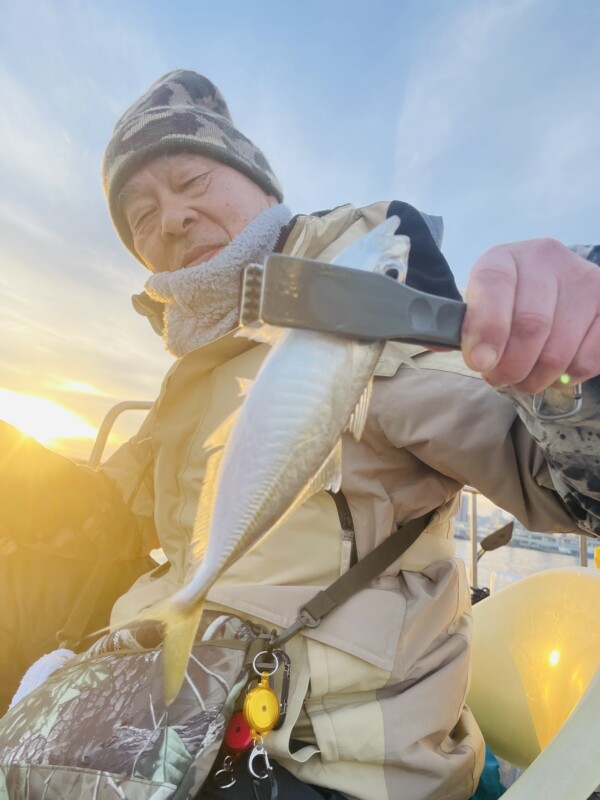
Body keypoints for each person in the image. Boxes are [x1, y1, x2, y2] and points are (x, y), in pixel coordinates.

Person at [1, 69, 599, 800]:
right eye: (141, 214)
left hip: (311, 753)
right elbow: (109, 518)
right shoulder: (191, 377)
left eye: (191, 179)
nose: (172, 219)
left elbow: (556, 482)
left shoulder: (368, 312)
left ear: (262, 184)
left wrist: (573, 371)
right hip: (158, 713)